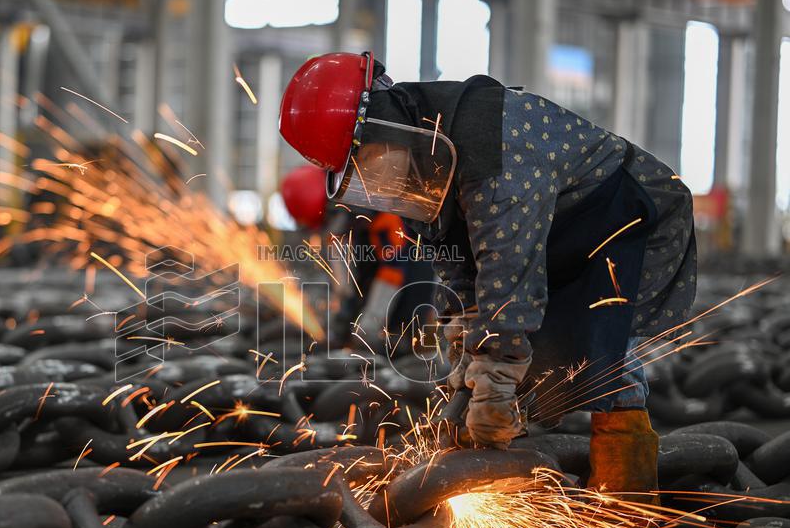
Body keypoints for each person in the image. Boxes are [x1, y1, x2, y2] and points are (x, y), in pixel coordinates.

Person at [278, 52, 696, 500]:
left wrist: (494, 378)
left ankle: (626, 490)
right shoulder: (427, 167)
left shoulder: (491, 147)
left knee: (594, 354)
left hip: (626, 222)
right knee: (524, 365)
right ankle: (520, 490)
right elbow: (462, 278)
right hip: (558, 237)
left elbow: (507, 271)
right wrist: (463, 363)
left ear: (384, 123)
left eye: (371, 158)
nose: (377, 177)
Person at [280, 165, 436, 352]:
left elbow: (393, 269)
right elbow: (344, 279)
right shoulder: (339, 217)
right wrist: (343, 318)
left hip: (410, 263)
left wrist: (371, 321)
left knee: (414, 283)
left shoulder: (381, 209)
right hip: (377, 260)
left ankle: (409, 338)